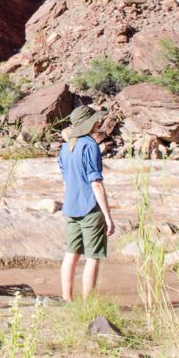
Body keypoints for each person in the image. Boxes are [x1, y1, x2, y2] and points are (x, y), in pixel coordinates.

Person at [57, 105, 115, 301]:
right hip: (90, 208)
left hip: (71, 208)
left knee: (70, 255)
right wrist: (108, 217)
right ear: (88, 123)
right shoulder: (90, 145)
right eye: (95, 120)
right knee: (92, 258)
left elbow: (66, 181)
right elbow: (96, 184)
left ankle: (67, 300)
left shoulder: (65, 148)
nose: (98, 122)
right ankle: (87, 305)